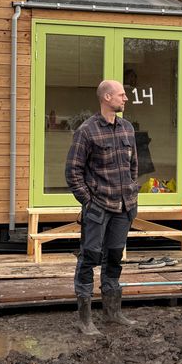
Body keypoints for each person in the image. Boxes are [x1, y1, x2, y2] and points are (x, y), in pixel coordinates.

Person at [65, 80, 139, 335]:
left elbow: (133, 166)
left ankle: (112, 313)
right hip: (98, 208)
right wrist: (88, 200)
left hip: (124, 207)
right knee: (89, 258)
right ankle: (85, 320)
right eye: (121, 94)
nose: (125, 98)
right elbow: (73, 172)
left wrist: (131, 191)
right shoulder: (87, 131)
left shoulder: (127, 128)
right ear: (107, 97)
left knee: (115, 258)